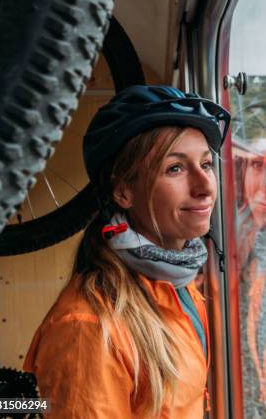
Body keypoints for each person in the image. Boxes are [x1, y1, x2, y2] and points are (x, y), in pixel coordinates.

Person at [23, 85, 230, 418]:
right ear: (123, 192)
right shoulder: (89, 328)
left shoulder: (177, 280)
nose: (205, 186)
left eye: (206, 165)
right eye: (175, 168)